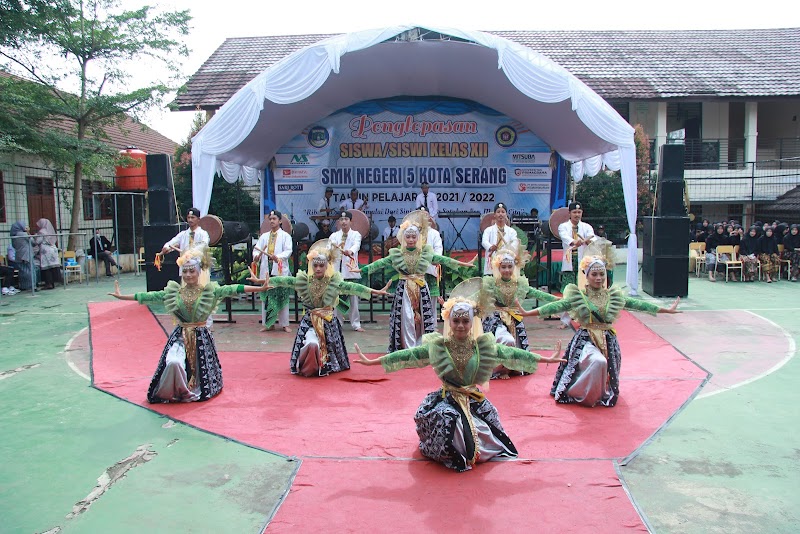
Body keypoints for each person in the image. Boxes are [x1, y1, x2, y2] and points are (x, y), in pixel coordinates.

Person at [352, 296, 564, 472]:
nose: (461, 326)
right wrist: (372, 362)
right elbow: (408, 355)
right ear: (449, 322)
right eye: (456, 321)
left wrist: (547, 359)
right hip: (448, 399)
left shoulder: (482, 346)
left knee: (486, 435)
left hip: (473, 400)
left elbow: (512, 353)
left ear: (472, 323)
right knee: (449, 419)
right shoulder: (439, 346)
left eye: (465, 321)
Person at [108, 245, 272, 403]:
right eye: (185, 271)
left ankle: (190, 389)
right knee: (173, 362)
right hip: (180, 335)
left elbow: (233, 289)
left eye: (191, 271)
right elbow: (150, 296)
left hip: (201, 336)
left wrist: (259, 289)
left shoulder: (210, 291)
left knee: (200, 372)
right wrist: (124, 297)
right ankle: (177, 390)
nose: (188, 275)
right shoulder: (175, 292)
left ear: (198, 272)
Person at [517, 256, 679, 407]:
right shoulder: (578, 296)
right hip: (586, 339)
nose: (598, 278)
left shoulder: (611, 296)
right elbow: (556, 306)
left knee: (606, 366)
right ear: (586, 276)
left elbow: (637, 305)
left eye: (601, 274)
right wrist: (528, 313)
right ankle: (584, 394)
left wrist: (666, 310)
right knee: (598, 362)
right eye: (594, 274)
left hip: (608, 339)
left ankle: (599, 393)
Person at [249, 240, 389, 377]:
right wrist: (260, 282)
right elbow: (284, 281)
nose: (318, 269)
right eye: (315, 265)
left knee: (325, 346)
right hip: (309, 322)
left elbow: (353, 287)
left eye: (321, 266)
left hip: (328, 322)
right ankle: (309, 367)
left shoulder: (333, 282)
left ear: (326, 266)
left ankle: (321, 366)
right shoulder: (306, 281)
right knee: (312, 344)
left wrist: (375, 291)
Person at [357, 210, 475, 351]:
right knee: (406, 316)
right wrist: (362, 269)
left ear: (418, 238)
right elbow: (381, 262)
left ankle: (421, 345)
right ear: (404, 237)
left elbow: (443, 259)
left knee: (422, 316)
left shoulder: (424, 253)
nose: (411, 239)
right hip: (405, 288)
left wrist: (463, 264)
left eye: (414, 237)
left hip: (421, 287)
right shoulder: (398, 254)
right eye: (408, 236)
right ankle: (407, 346)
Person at [480, 247, 558, 379]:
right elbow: (477, 296)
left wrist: (556, 299)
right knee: (505, 340)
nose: (507, 270)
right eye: (503, 267)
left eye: (509, 267)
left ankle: (511, 367)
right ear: (498, 268)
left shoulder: (519, 284)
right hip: (496, 319)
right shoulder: (491, 284)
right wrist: (454, 302)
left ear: (514, 267)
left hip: (514, 318)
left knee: (516, 343)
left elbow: (536, 293)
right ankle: (501, 369)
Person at [254, 209, 293, 332]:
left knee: (282, 296)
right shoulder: (264, 236)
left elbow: (288, 250)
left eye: (274, 219)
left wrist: (279, 257)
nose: (271, 221)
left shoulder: (285, 236)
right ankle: (268, 323)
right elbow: (257, 249)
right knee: (267, 297)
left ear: (280, 221)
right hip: (267, 270)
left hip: (279, 268)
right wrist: (256, 256)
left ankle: (284, 323)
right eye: (270, 219)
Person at [557, 201, 594, 325]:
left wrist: (588, 241)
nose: (577, 215)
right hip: (569, 263)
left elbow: (592, 238)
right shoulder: (563, 226)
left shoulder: (587, 227)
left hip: (583, 265)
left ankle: (584, 318)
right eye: (574, 212)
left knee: (584, 291)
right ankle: (565, 320)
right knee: (567, 292)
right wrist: (574, 242)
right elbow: (565, 237)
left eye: (579, 212)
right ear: (569, 213)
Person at [330, 210, 365, 332]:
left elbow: (356, 245)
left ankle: (356, 324)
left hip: (351, 271)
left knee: (353, 299)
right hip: (337, 272)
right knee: (337, 299)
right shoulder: (334, 236)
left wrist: (350, 251)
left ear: (351, 221)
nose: (343, 222)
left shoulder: (356, 234)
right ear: (339, 222)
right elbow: (329, 249)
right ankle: (338, 323)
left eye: (346, 220)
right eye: (341, 220)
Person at [481, 202, 519, 274]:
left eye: (503, 212)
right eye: (498, 212)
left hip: (507, 262)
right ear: (494, 215)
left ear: (506, 214)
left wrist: (508, 249)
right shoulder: (488, 230)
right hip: (493, 261)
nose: (500, 214)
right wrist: (491, 247)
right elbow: (484, 242)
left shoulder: (512, 231)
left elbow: (515, 242)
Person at [35, 218, 62, 290]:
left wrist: (33, 237)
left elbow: (37, 241)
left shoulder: (42, 232)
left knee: (47, 268)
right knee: (52, 267)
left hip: (46, 251)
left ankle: (48, 283)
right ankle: (52, 283)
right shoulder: (49, 231)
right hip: (53, 249)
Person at [10, 221, 37, 290]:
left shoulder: (13, 235)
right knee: (31, 270)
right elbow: (33, 242)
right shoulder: (23, 234)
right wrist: (28, 233)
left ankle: (23, 286)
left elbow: (14, 246)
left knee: (22, 271)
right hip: (27, 255)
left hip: (19, 255)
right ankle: (32, 286)